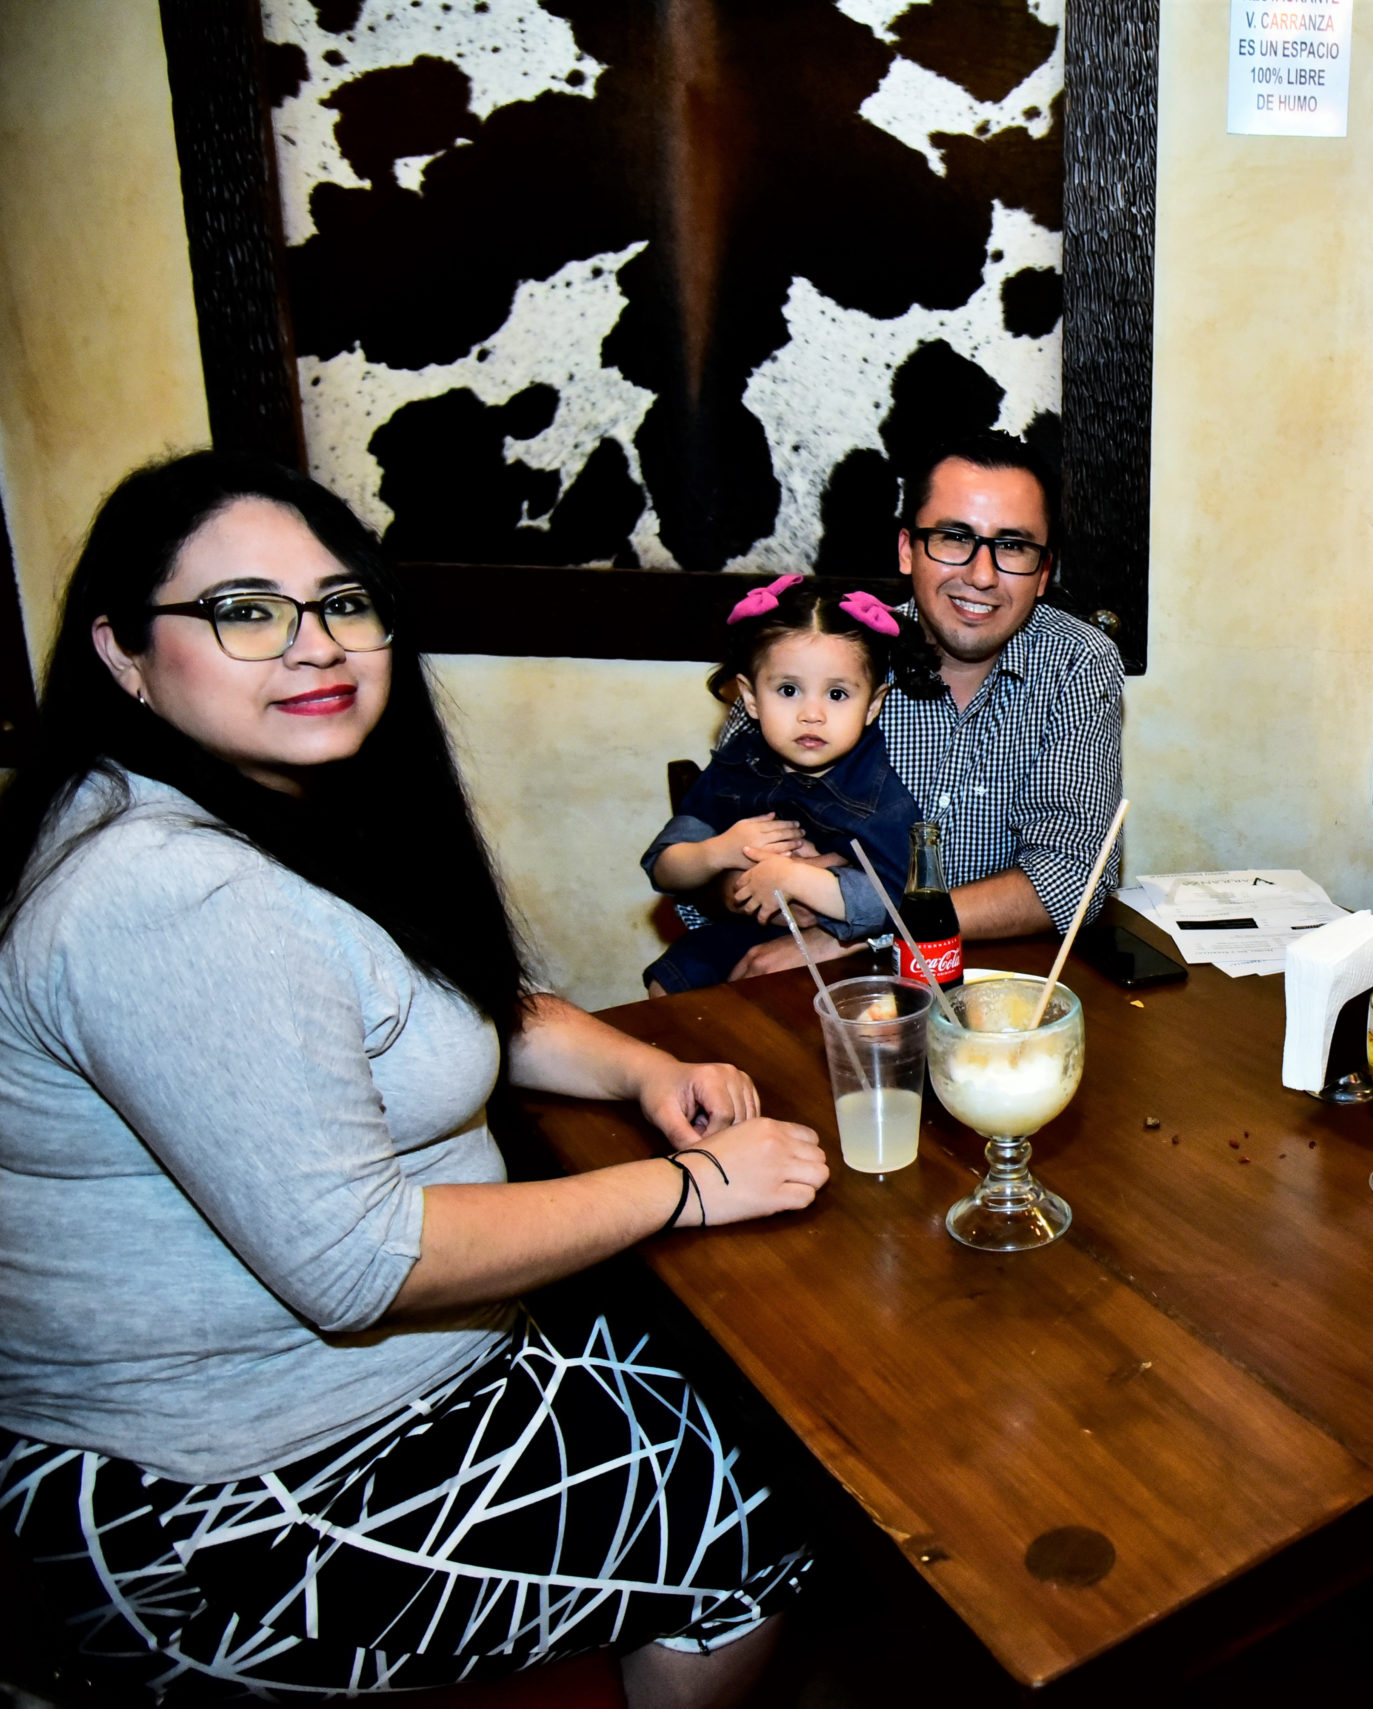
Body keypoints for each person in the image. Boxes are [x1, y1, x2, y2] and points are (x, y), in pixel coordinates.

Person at [0, 453, 831, 1704]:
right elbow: (361, 1261)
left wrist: (642, 1068)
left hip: (362, 1388)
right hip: (218, 1492)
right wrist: (693, 1183)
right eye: (243, 610)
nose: (312, 645)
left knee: (738, 1381)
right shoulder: (169, 891)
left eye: (343, 602)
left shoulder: (278, 803)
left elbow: (457, 1003)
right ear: (123, 650)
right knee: (764, 1499)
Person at [723, 430, 1124, 981]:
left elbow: (1072, 880)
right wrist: (745, 881)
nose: (982, 576)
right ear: (908, 549)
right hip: (807, 980)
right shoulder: (828, 651)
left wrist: (868, 929)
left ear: (1043, 572)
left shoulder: (1076, 661)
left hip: (998, 982)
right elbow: (708, 842)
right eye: (955, 537)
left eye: (1013, 546)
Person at [642, 575, 931, 994]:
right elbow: (662, 867)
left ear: (873, 705)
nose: (811, 714)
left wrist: (792, 877)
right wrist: (717, 851)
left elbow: (896, 903)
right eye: (789, 690)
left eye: (836, 695)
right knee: (668, 981)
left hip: (852, 951)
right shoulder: (739, 762)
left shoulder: (881, 791)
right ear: (752, 697)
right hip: (743, 929)